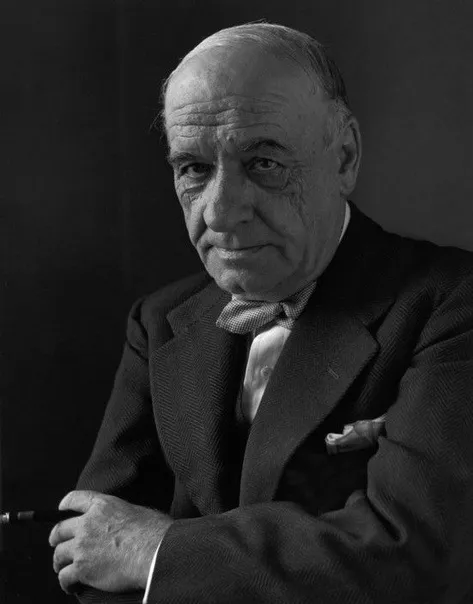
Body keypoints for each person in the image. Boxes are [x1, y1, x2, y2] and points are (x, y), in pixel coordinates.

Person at [48, 22, 473, 603]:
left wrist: (157, 552)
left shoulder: (452, 303)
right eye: (194, 169)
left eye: (264, 163)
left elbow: (410, 553)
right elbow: (89, 553)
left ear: (345, 157)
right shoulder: (158, 320)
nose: (220, 213)